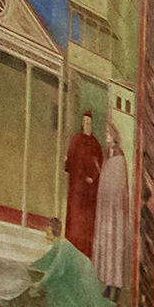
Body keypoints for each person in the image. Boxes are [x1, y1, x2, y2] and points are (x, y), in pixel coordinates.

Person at [94, 122, 131, 300]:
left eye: (109, 134)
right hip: (107, 212)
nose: (106, 137)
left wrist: (109, 201)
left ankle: (115, 288)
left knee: (114, 250)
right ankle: (109, 285)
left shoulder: (118, 156)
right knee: (108, 249)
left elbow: (117, 188)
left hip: (114, 213)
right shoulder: (108, 156)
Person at [64, 109, 105, 260]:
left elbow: (100, 166)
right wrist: (67, 162)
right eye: (85, 122)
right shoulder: (76, 140)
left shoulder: (96, 144)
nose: (87, 125)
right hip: (77, 191)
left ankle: (86, 257)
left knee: (87, 226)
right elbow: (70, 164)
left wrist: (92, 178)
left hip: (90, 193)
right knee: (75, 223)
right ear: (82, 123)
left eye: (89, 123)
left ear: (92, 124)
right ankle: (71, 254)